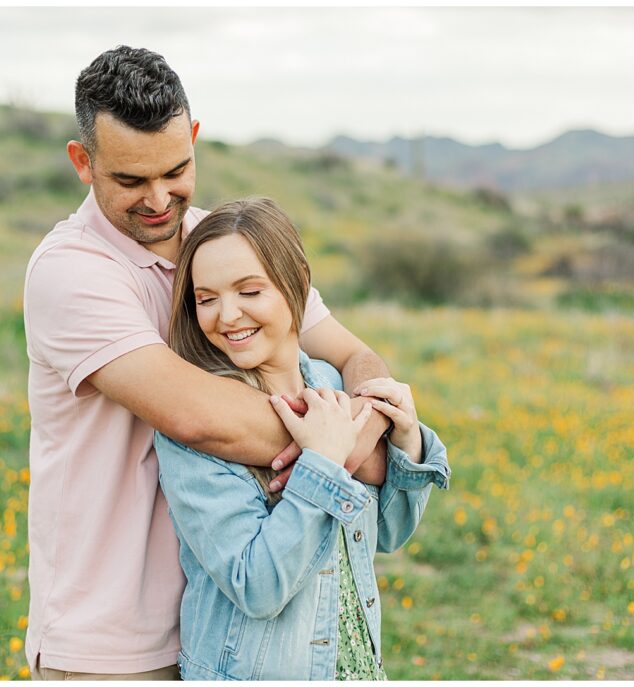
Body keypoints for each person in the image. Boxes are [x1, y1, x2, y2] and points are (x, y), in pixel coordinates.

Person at [22, 46, 394, 679]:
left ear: (193, 139)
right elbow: (200, 418)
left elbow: (353, 353)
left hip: (228, 626)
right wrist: (353, 448)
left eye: (176, 170)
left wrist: (373, 410)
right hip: (112, 639)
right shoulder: (71, 272)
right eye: (131, 181)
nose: (160, 199)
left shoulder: (224, 248)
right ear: (82, 162)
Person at [155, 197, 450, 680]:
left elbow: (392, 531)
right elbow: (256, 586)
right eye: (206, 298)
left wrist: (407, 438)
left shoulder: (336, 390)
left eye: (249, 291)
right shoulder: (197, 424)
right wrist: (323, 466)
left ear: (297, 286)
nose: (227, 316)